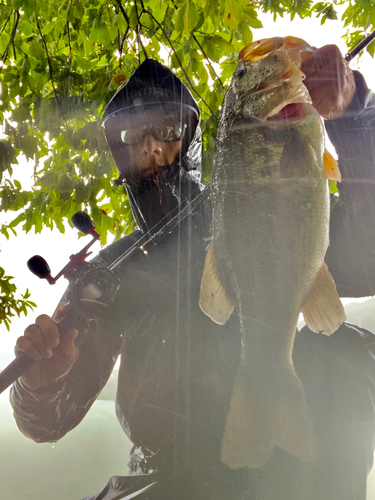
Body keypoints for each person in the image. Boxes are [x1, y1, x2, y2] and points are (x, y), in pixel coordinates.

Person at [9, 46, 375, 500]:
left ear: (191, 136)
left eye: (165, 128)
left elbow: (368, 249)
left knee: (349, 353)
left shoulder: (263, 202)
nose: (150, 146)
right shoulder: (103, 276)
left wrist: (354, 110)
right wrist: (38, 389)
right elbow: (46, 423)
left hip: (275, 466)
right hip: (157, 475)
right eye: (132, 135)